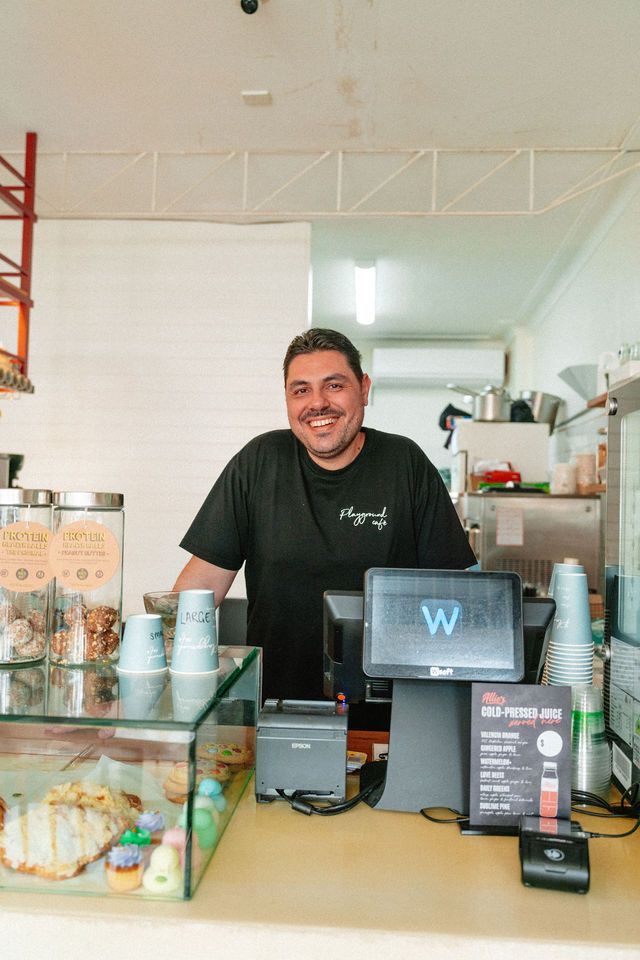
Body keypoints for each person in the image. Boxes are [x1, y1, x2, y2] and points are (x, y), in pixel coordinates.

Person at [174, 328, 476, 710]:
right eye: (301, 390)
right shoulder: (259, 462)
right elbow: (198, 591)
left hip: (390, 713)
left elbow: (457, 599)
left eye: (334, 385)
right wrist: (148, 664)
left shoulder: (405, 463)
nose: (317, 404)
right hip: (274, 709)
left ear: (364, 389)